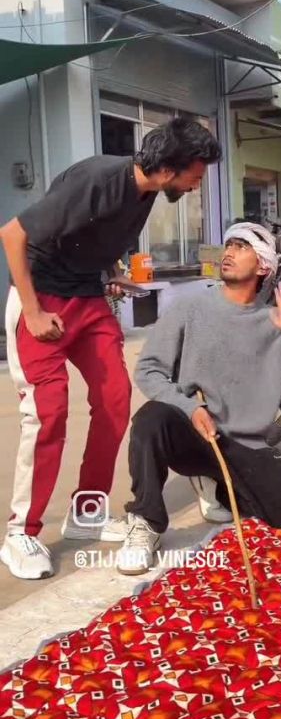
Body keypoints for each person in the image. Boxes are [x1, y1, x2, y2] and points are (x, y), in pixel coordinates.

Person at [0, 117, 221, 580]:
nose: (197, 185)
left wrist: (112, 272)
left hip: (87, 297)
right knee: (49, 412)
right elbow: (12, 234)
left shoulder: (147, 191)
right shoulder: (97, 180)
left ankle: (86, 513)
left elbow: (95, 236)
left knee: (115, 399)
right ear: (169, 168)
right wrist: (34, 313)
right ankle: (21, 532)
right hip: (42, 300)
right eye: (195, 175)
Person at [116, 222, 281, 574]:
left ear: (263, 266)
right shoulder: (190, 307)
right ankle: (146, 521)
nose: (229, 252)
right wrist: (190, 408)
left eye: (242, 246)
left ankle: (214, 485)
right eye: (230, 244)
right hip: (193, 430)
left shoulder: (277, 322)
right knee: (151, 419)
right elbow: (148, 370)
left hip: (246, 444)